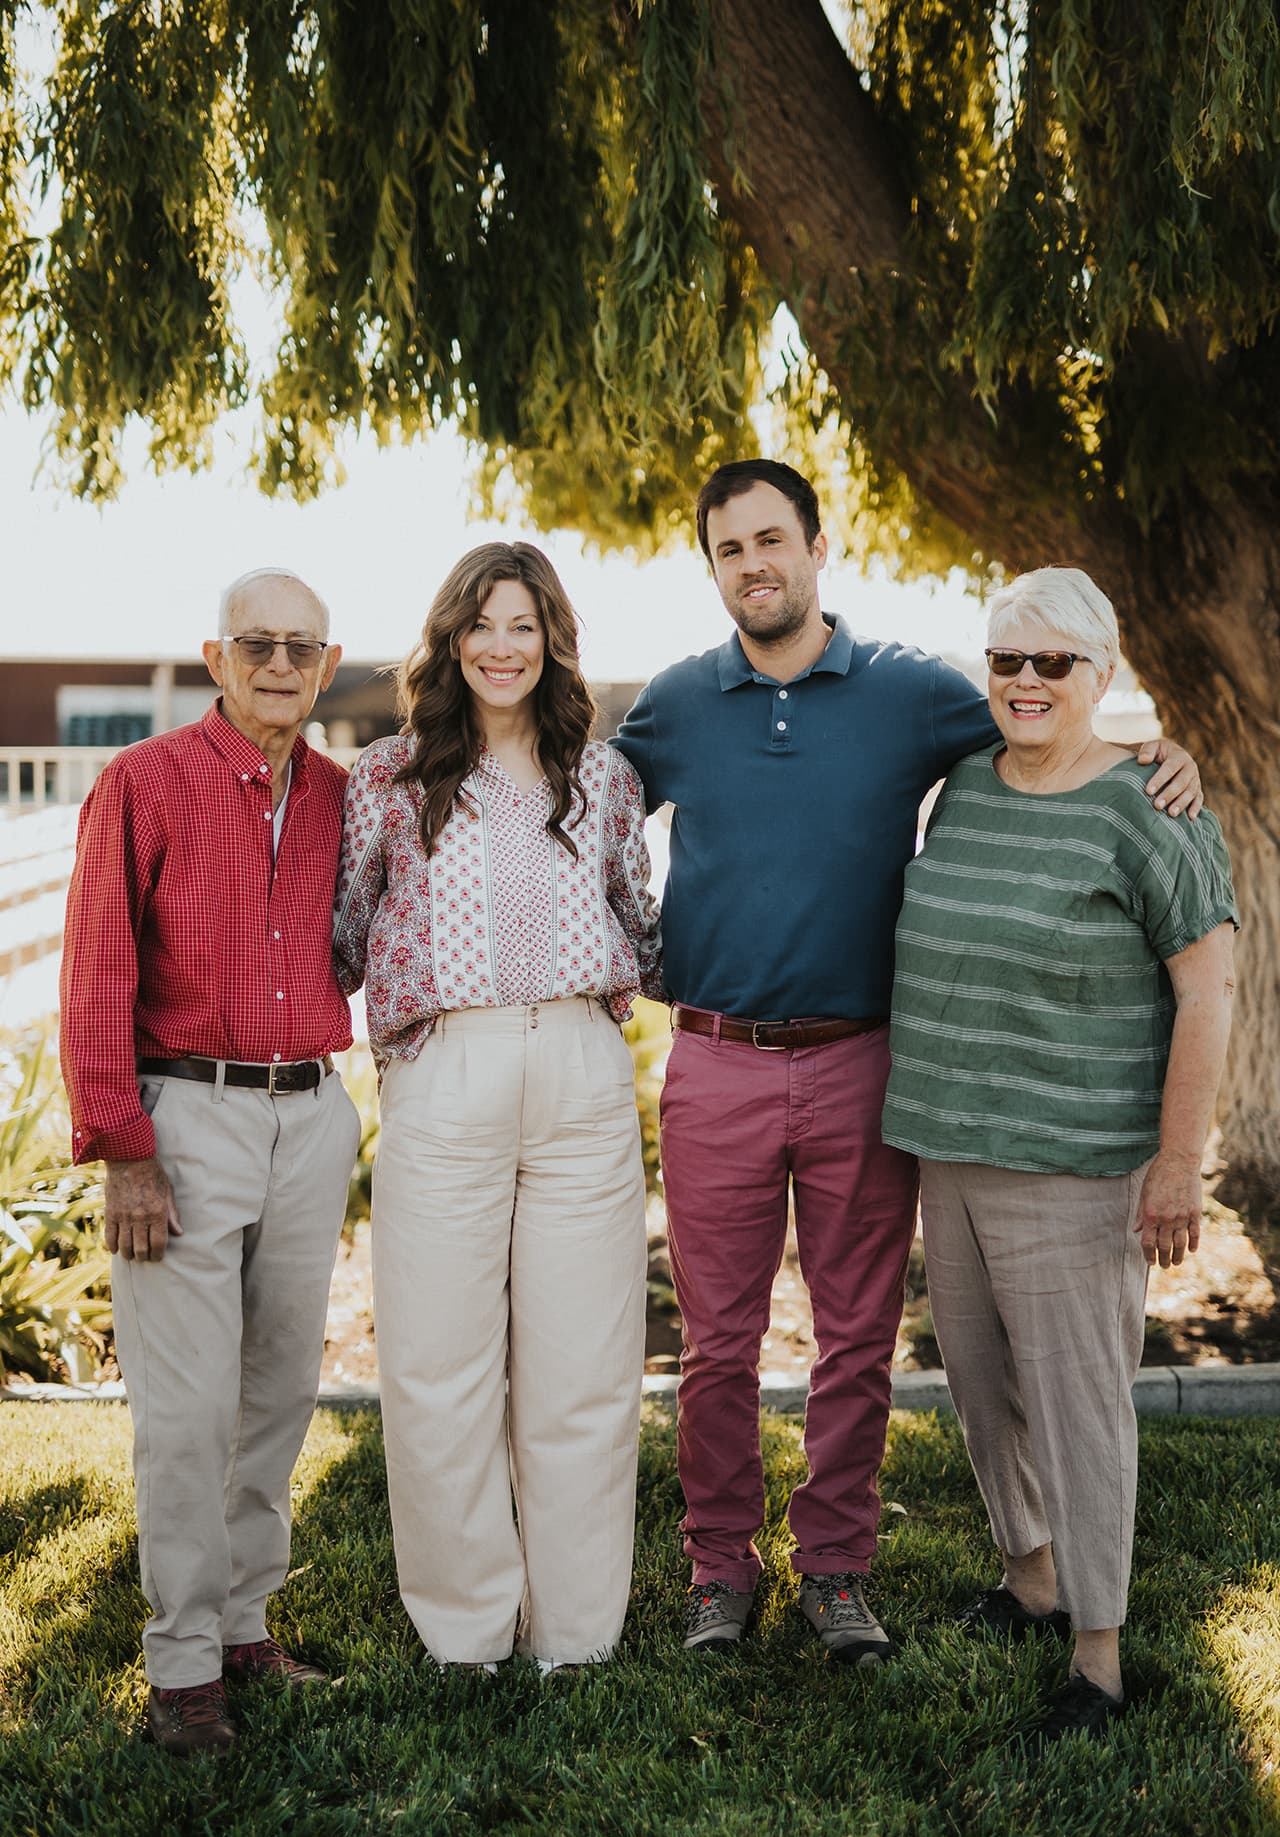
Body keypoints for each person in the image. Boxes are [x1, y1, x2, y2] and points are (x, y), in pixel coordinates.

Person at [612, 459, 1203, 1662]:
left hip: (860, 1065)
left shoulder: (909, 693)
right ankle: (718, 1570)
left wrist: (1159, 749)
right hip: (716, 1059)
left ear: (818, 546)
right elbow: (578, 803)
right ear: (713, 567)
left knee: (854, 1336)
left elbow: (1046, 714)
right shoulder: (674, 703)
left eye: (771, 539)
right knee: (715, 1343)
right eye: (729, 550)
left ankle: (834, 1568)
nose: (752, 565)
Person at [882, 566, 1236, 1739]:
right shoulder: (965, 786)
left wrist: (1176, 1164)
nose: (1024, 682)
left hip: (1078, 1163)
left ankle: (1097, 1655)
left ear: (1101, 674)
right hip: (951, 1146)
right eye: (1006, 660)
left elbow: (1209, 991)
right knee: (984, 1389)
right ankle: (1029, 1577)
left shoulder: (1149, 807)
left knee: (1079, 1405)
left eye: (1052, 663)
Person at [333, 541, 660, 1674]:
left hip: (578, 1071)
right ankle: (466, 1630)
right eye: (481, 624)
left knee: (583, 1369)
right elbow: (345, 932)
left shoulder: (604, 778)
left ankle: (574, 1636)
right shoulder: (386, 780)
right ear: (450, 640)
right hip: (447, 1075)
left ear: (551, 639)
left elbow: (639, 917)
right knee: (438, 1365)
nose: (501, 646)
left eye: (522, 625)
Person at [60, 568, 362, 1755]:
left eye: (301, 647)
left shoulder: (343, 794)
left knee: (279, 1392)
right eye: (256, 643)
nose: (279, 663)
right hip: (183, 1117)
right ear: (215, 656)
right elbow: (94, 973)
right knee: (187, 1411)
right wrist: (123, 1150)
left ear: (328, 667)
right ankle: (182, 1667)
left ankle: (246, 1627)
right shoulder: (143, 784)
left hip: (310, 1114)